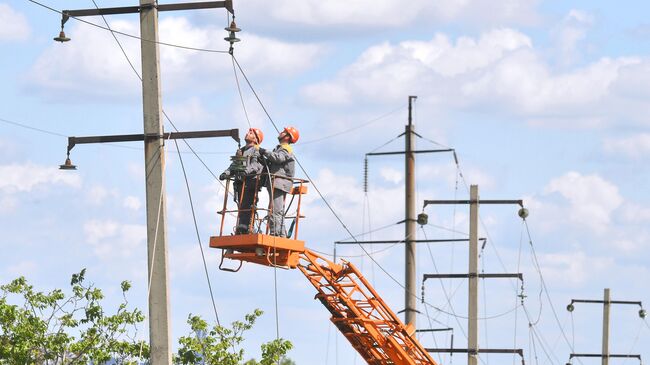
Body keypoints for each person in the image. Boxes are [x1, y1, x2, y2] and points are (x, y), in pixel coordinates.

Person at [220, 128, 264, 234]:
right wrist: (226, 173)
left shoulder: (256, 150)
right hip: (240, 183)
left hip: (251, 182)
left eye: (251, 133)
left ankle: (247, 227)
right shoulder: (241, 150)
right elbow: (235, 165)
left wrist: (246, 171)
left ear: (256, 139)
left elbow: (255, 165)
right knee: (241, 206)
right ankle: (241, 227)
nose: (247, 133)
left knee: (248, 205)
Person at [259, 126, 299, 237]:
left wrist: (264, 152)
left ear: (287, 137)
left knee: (275, 210)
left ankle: (276, 234)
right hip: (276, 181)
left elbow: (278, 158)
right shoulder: (280, 148)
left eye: (283, 132)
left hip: (280, 182)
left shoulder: (285, 148)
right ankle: (280, 234)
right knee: (276, 209)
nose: (280, 133)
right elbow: (276, 161)